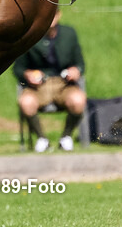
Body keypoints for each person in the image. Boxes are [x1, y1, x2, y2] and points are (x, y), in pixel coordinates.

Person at [13, 10, 87, 152]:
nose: (50, 18)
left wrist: (76, 71)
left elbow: (80, 64)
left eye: (53, 13)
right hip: (38, 86)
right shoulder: (29, 35)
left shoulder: (69, 34)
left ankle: (66, 137)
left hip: (64, 84)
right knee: (25, 102)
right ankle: (42, 139)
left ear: (59, 14)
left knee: (78, 100)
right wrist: (27, 75)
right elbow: (18, 68)